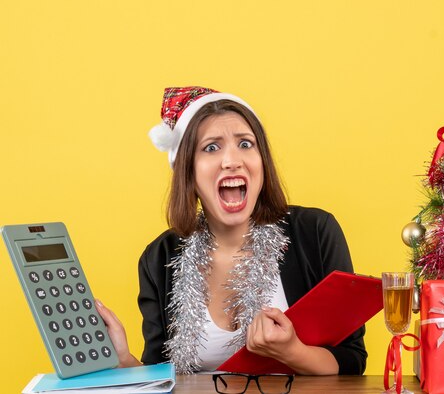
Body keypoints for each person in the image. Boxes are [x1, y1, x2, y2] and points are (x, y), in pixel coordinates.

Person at [95, 86, 366, 375]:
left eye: (246, 144)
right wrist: (123, 360)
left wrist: (292, 352)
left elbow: (352, 362)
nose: (232, 160)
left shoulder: (314, 233)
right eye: (211, 147)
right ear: (188, 172)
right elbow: (162, 379)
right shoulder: (159, 257)